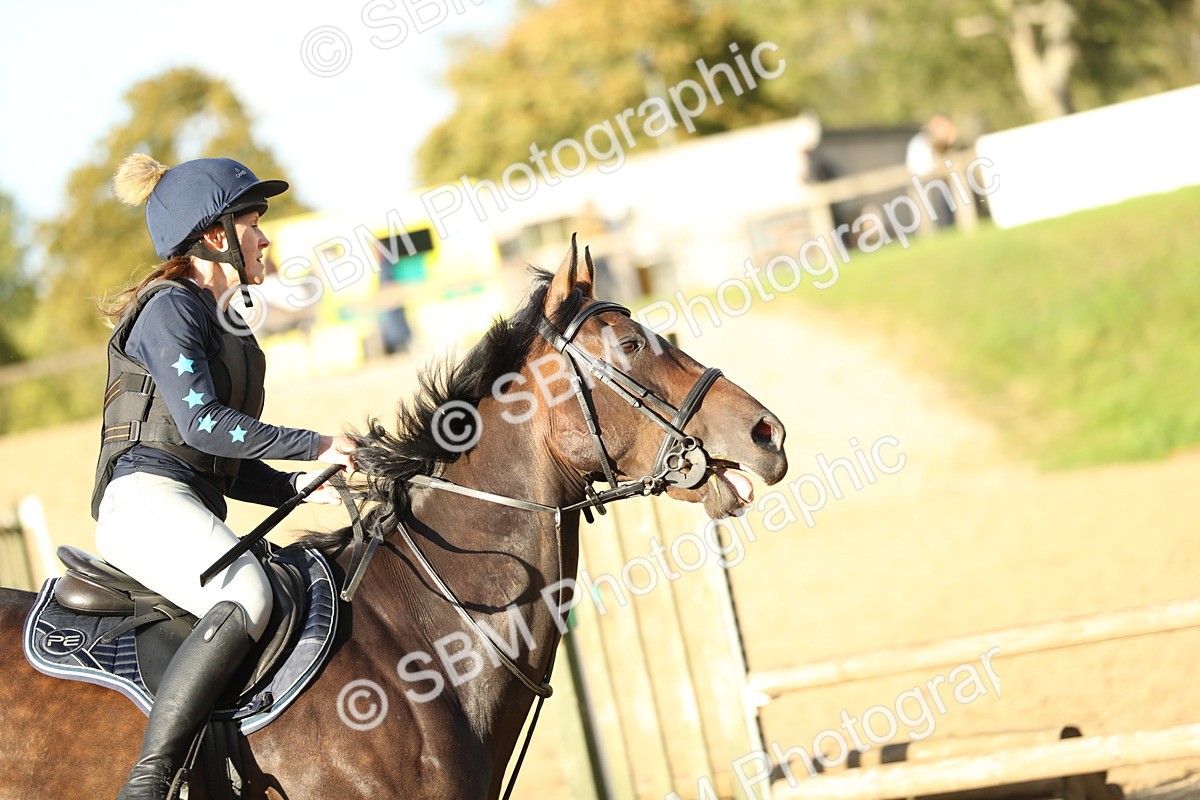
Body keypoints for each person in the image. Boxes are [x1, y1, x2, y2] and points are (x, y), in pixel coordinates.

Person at [94, 153, 355, 800]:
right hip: (143, 499)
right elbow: (204, 425)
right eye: (253, 223)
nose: (264, 238)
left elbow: (225, 461)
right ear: (216, 236)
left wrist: (294, 486)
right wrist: (317, 444)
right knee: (249, 595)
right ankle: (148, 783)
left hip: (184, 498)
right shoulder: (170, 310)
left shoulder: (226, 326)